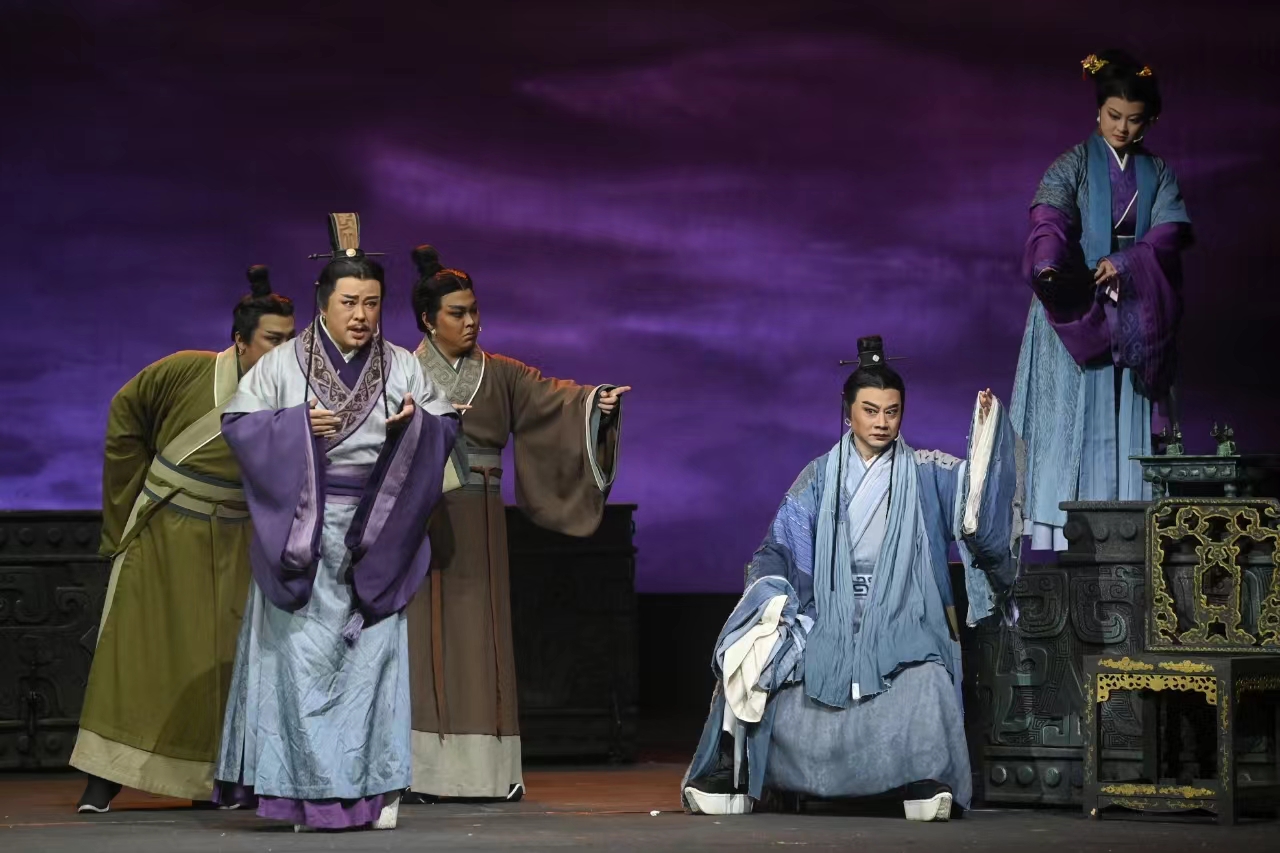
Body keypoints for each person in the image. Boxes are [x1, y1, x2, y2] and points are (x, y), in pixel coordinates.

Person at [681, 336, 1023, 821]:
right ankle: (733, 772)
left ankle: (925, 778)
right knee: (753, 659)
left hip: (904, 610)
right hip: (826, 612)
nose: (882, 422)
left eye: (892, 411)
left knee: (926, 677)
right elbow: (780, 546)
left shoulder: (926, 472)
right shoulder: (819, 476)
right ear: (848, 413)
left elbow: (977, 502)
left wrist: (987, 434)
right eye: (870, 410)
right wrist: (773, 597)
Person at [211, 215, 459, 832]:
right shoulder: (281, 365)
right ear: (324, 302)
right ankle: (304, 795)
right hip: (303, 532)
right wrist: (294, 427)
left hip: (376, 529)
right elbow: (239, 426)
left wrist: (415, 428)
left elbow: (444, 421)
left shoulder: (402, 365)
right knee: (300, 666)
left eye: (372, 303)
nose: (361, 315)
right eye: (349, 302)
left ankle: (372, 791)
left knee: (372, 665)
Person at [404, 245, 627, 802]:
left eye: (474, 310)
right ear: (428, 320)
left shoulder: (501, 373)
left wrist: (594, 404)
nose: (471, 322)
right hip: (418, 519)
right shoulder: (401, 371)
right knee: (421, 637)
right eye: (457, 313)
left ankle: (489, 771)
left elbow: (555, 400)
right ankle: (419, 772)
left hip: (479, 520)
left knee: (482, 635)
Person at [72, 266, 296, 813]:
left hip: (237, 538)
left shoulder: (293, 394)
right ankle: (103, 779)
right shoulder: (183, 371)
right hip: (168, 531)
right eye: (273, 340)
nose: (284, 351)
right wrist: (129, 504)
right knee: (134, 652)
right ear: (240, 340)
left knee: (221, 666)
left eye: (291, 341)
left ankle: (210, 783)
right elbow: (126, 415)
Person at [1011, 50, 1193, 551]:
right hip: (1081, 297)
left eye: (1134, 120)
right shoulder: (1071, 164)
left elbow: (1169, 231)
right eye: (1114, 116)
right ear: (1098, 111)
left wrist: (1128, 262)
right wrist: (1050, 267)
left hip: (1135, 298)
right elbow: (1049, 217)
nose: (1122, 128)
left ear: (1149, 121)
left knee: (1132, 401)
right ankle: (1068, 531)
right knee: (1071, 411)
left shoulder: (1159, 173)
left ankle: (1134, 528)